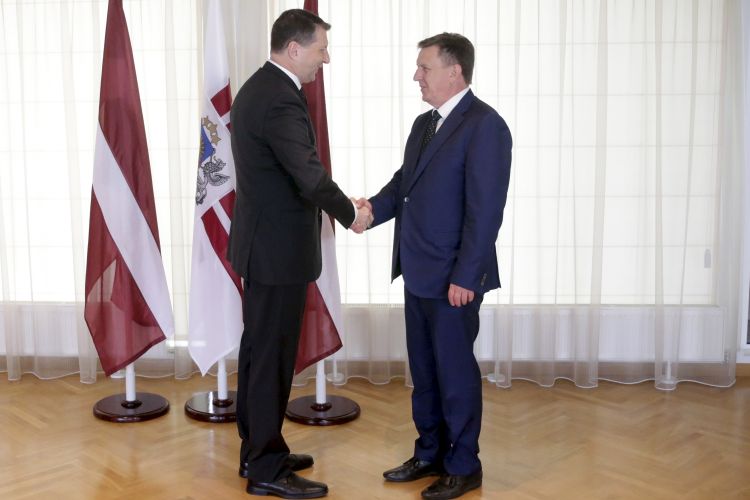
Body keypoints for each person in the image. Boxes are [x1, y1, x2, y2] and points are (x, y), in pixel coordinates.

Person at [359, 33, 512, 500]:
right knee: (424, 372)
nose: (416, 76)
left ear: (454, 72)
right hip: (418, 270)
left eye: (424, 67)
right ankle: (429, 453)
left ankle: (464, 466)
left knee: (454, 375)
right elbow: (404, 184)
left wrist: (467, 276)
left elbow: (485, 212)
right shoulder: (424, 124)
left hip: (454, 279)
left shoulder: (485, 126)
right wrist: (369, 211)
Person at [227, 9, 371, 499]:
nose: (325, 58)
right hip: (276, 252)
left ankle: (257, 450)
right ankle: (267, 468)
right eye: (320, 49)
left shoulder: (260, 88)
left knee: (259, 353)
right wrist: (351, 214)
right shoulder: (280, 99)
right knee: (271, 358)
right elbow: (308, 175)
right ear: (294, 48)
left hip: (263, 247)